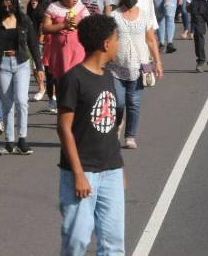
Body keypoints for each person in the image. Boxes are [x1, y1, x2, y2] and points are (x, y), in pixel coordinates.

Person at [56, 15, 124, 256]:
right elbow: (64, 128)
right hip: (82, 171)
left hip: (111, 171)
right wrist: (78, 174)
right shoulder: (73, 79)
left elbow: (110, 125)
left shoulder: (108, 76)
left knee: (113, 242)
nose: (118, 44)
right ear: (106, 44)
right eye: (117, 39)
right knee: (76, 241)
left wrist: (117, 169)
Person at [0, 0, 45, 155]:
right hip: (2, 65)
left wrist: (39, 67)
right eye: (4, 5)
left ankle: (22, 139)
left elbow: (33, 44)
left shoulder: (24, 21)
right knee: (7, 103)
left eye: (11, 4)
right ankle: (9, 141)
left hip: (22, 63)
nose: (8, 8)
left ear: (15, 4)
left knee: (22, 101)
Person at [108, 0, 163, 150]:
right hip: (116, 66)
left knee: (134, 102)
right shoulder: (113, 16)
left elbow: (151, 40)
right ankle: (117, 124)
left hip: (140, 66)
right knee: (118, 103)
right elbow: (108, 41)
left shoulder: (144, 15)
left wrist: (157, 62)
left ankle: (130, 136)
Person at [43, 0, 90, 114]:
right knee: (61, 83)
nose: (75, 0)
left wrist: (80, 25)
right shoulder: (53, 8)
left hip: (78, 52)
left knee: (77, 81)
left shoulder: (81, 8)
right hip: (60, 53)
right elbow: (45, 28)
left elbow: (89, 26)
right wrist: (63, 25)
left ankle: (77, 112)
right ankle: (63, 110)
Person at [27, 0, 53, 102]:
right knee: (35, 64)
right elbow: (29, 19)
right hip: (34, 36)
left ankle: (52, 91)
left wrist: (44, 33)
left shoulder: (51, 3)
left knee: (49, 66)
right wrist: (33, 7)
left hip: (48, 38)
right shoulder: (33, 2)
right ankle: (41, 87)